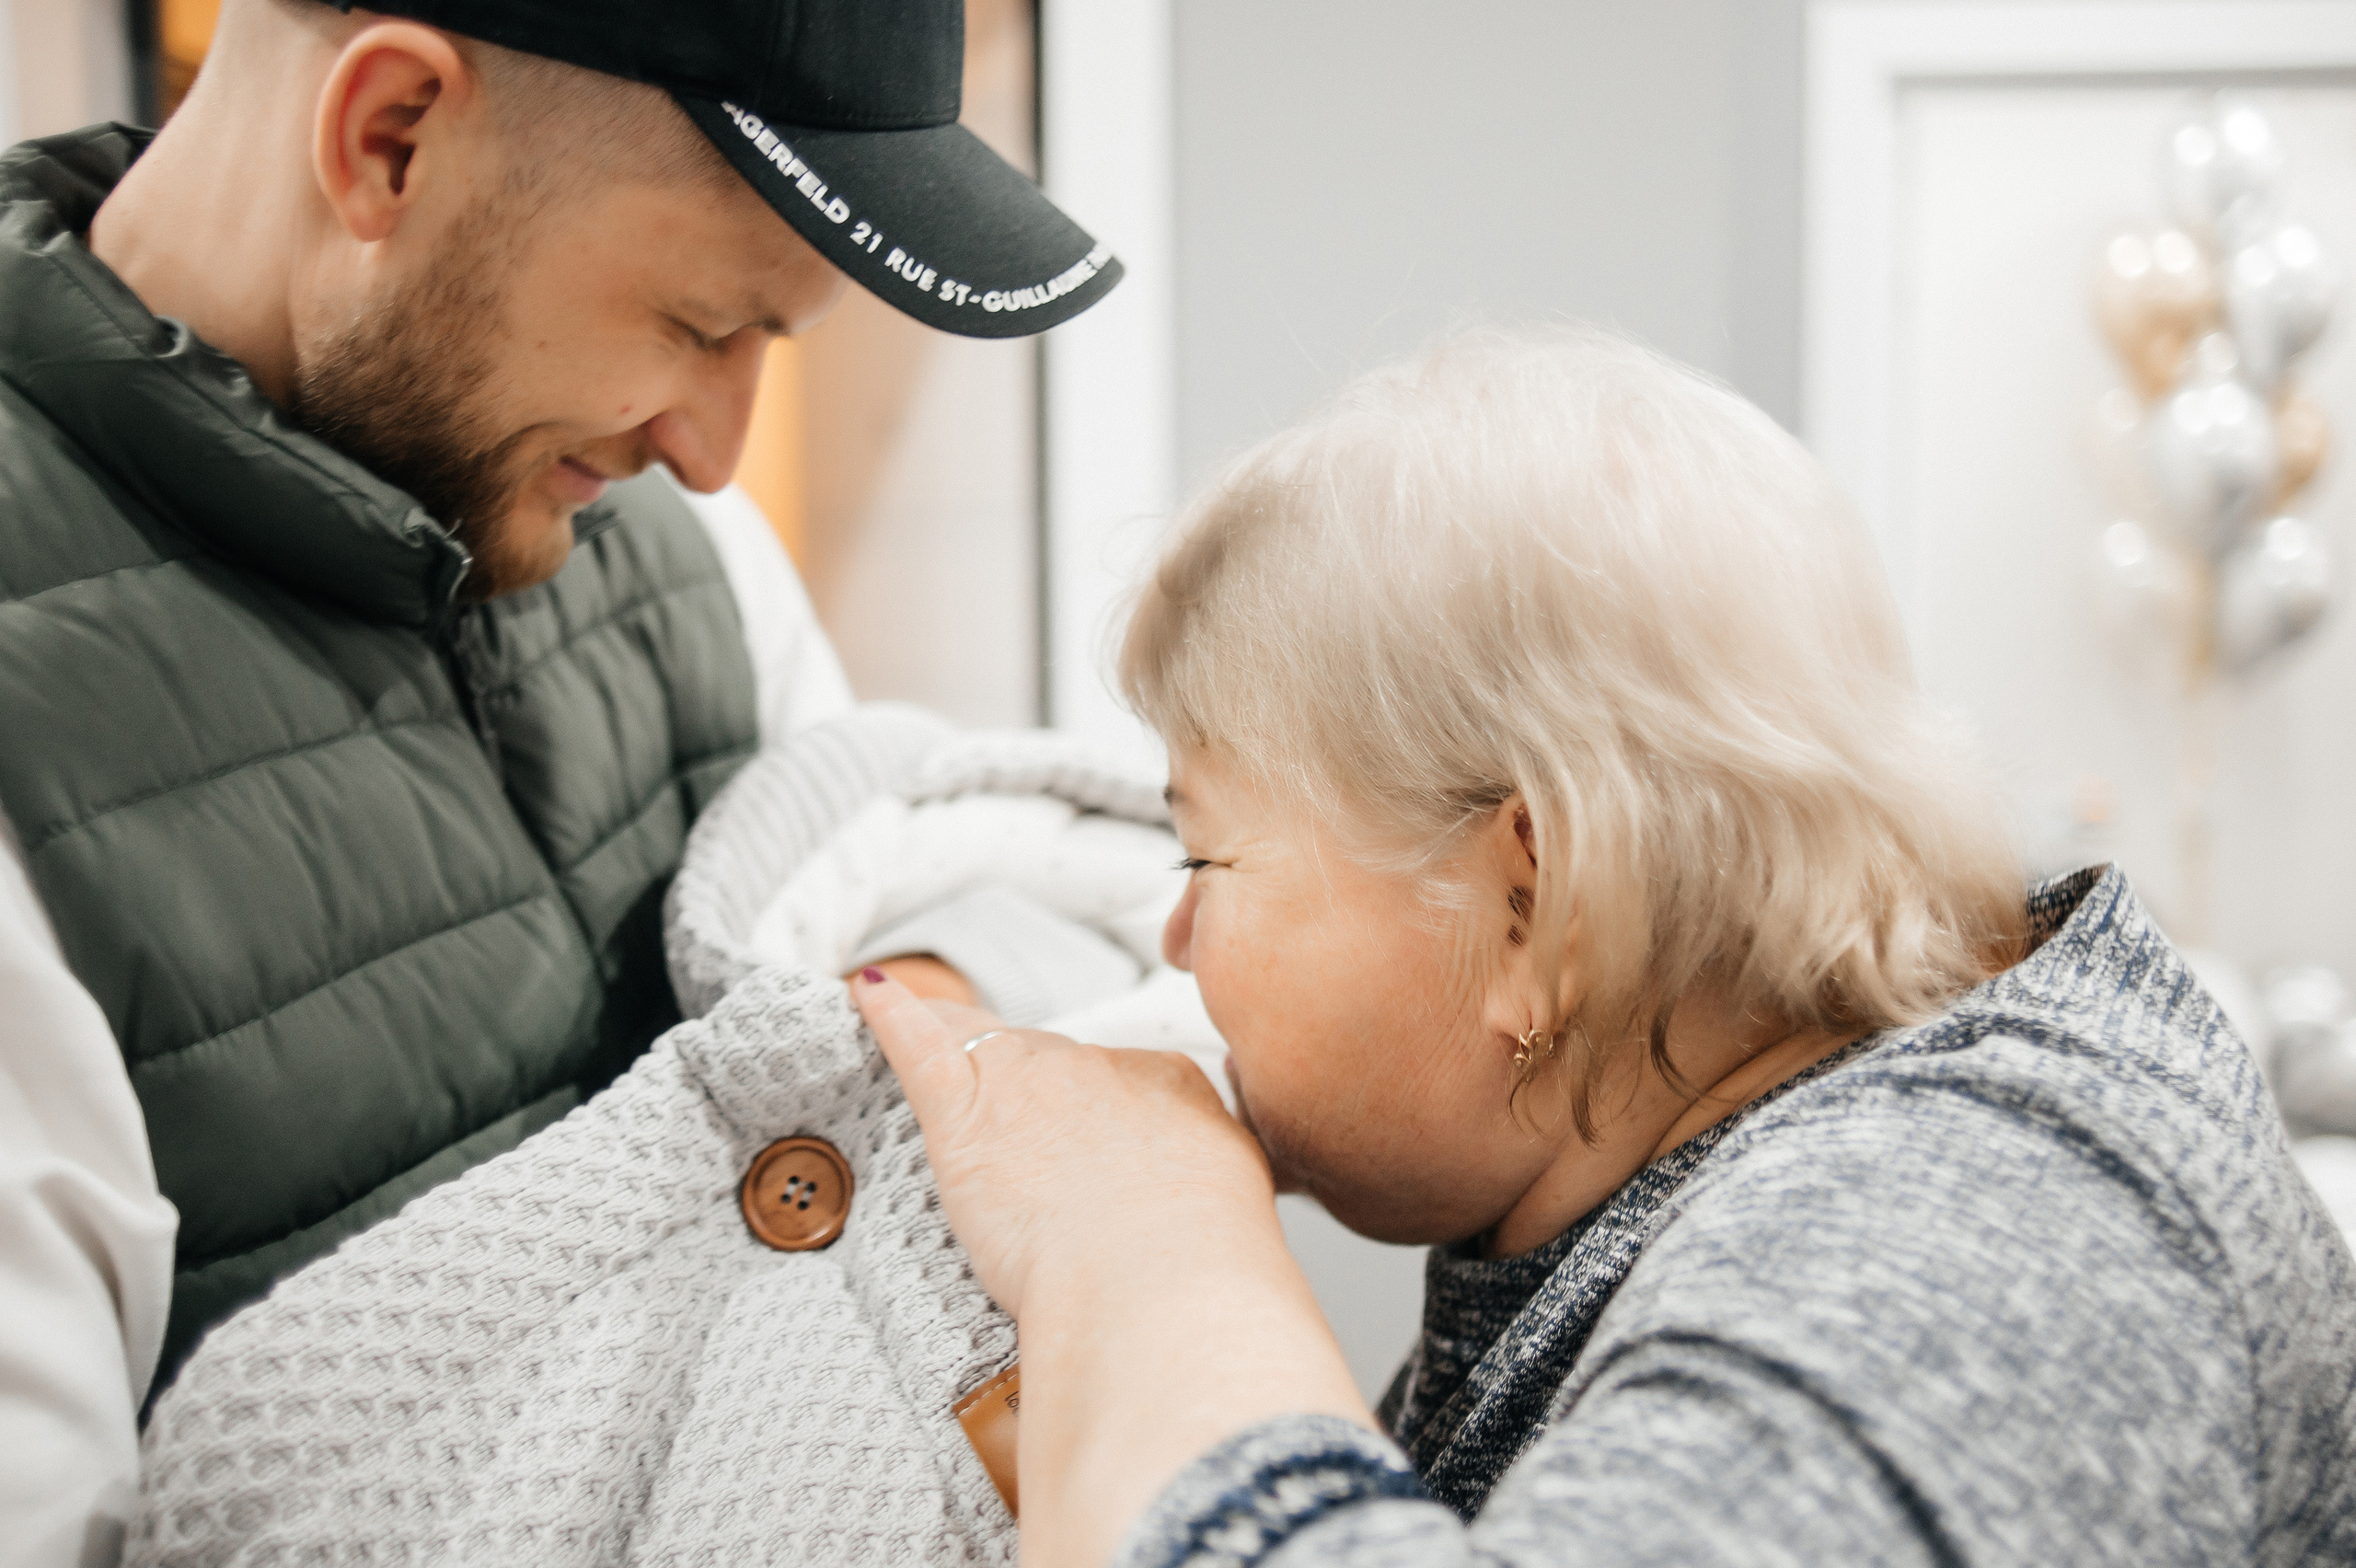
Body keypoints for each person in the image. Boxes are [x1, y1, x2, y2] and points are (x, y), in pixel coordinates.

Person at [854, 327, 2356, 1566]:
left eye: (1206, 856)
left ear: (1536, 901)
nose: (1179, 939)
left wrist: (1142, 1239)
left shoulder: (1980, 1232)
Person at [0, 0, 1114, 1559]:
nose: (715, 454)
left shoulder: (683, 553)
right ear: (391, 138)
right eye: (701, 324)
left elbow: (981, 886)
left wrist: (918, 1007)